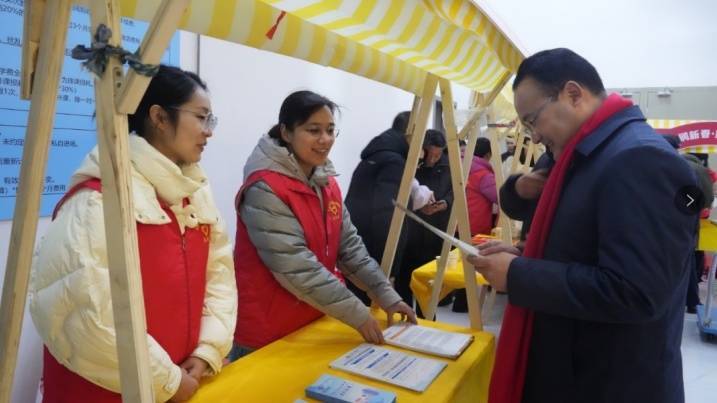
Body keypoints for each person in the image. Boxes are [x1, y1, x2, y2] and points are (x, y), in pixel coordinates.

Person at [469, 48, 698, 403]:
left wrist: (518, 274)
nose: (534, 136)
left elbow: (636, 292)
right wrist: (521, 255)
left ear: (573, 94)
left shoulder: (639, 158)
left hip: (608, 383)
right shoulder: (582, 154)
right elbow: (584, 246)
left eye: (533, 120)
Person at [29, 65, 237, 402]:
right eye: (201, 118)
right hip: (105, 392)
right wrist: (166, 381)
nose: (208, 132)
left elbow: (220, 279)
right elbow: (85, 317)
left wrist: (206, 351)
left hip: (180, 382)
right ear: (159, 117)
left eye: (210, 120)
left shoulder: (195, 192)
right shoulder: (96, 201)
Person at [233, 91, 416, 357]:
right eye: (313, 130)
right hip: (267, 332)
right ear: (286, 132)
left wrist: (386, 294)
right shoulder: (265, 188)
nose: (325, 139)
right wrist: (358, 314)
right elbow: (297, 267)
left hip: (313, 320)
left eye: (330, 130)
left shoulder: (326, 183)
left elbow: (350, 248)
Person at [345, 112, 433, 304]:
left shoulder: (378, 154)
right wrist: (389, 270)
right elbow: (388, 215)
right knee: (372, 307)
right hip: (372, 250)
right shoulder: (394, 162)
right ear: (411, 134)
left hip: (356, 243)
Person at [397, 129, 453, 313]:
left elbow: (456, 192)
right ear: (423, 149)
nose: (433, 159)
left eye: (438, 155)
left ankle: (427, 319)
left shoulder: (449, 165)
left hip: (435, 231)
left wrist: (444, 204)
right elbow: (402, 191)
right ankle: (404, 317)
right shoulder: (411, 163)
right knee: (405, 278)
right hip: (410, 229)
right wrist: (418, 206)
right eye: (430, 154)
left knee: (429, 282)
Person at [466, 137, 497, 236]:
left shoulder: (463, 167)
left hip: (459, 223)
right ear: (488, 154)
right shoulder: (484, 175)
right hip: (477, 227)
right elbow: (500, 198)